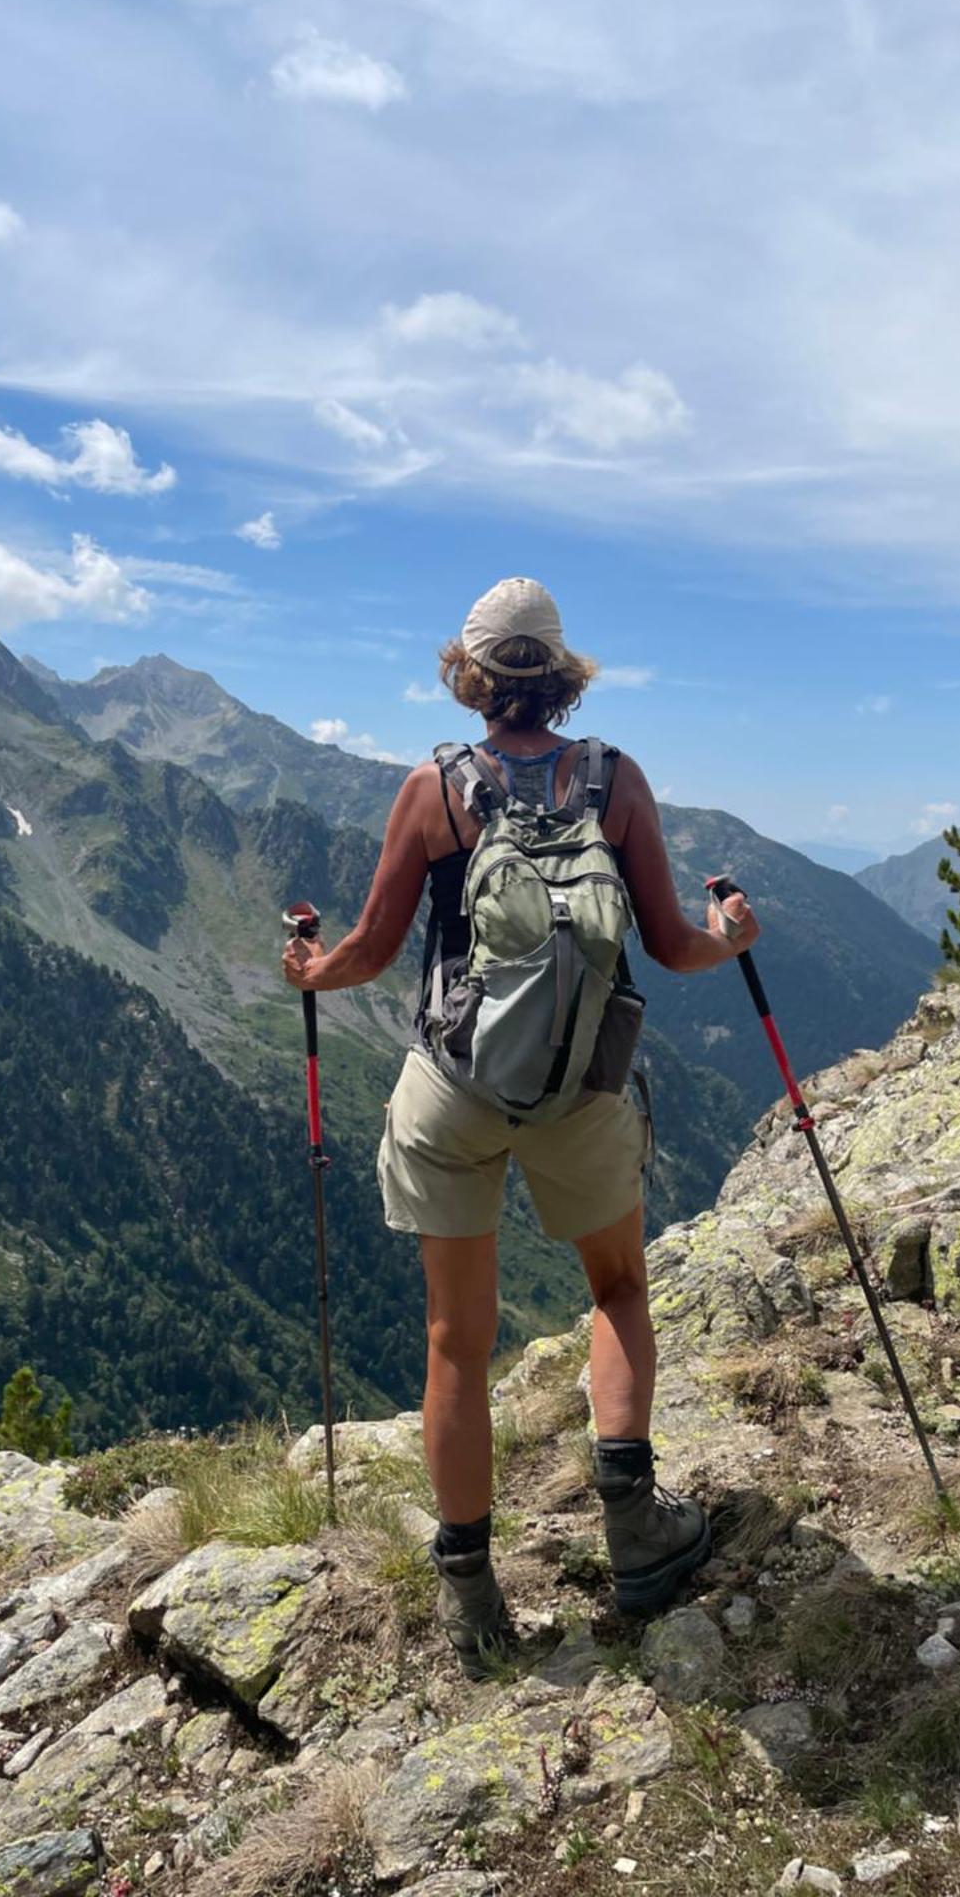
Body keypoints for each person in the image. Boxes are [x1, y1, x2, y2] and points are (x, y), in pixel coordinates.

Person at [283, 577, 758, 1676]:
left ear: (477, 675)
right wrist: (732, 931)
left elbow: (366, 948)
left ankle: (474, 1597)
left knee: (457, 1338)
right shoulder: (615, 780)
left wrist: (308, 967)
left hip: (453, 1088)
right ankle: (637, 1529)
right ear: (561, 673)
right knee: (619, 1289)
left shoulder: (433, 790)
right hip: (583, 1087)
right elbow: (677, 948)